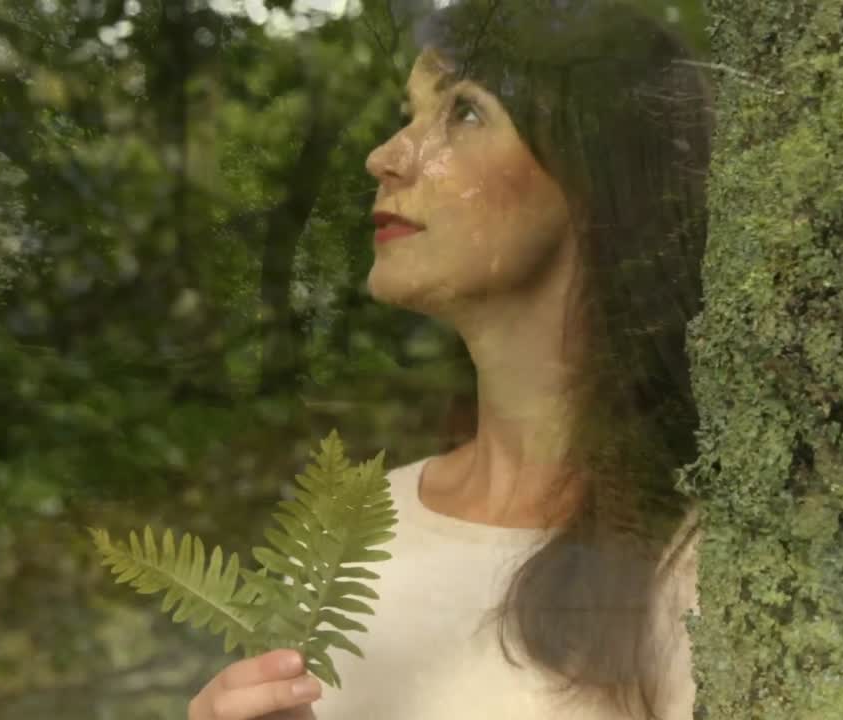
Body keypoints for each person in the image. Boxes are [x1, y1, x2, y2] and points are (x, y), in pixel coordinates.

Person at [188, 0, 714, 717]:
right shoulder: (353, 529)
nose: (386, 156)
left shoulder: (705, 571)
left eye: (463, 111)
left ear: (596, 172)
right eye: (412, 112)